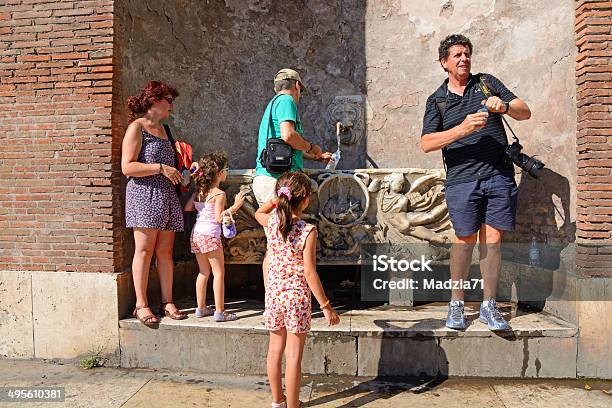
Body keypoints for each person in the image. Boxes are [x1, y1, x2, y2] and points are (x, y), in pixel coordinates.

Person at [420, 34, 532, 331]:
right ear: (444, 62)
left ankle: (489, 305)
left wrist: (504, 107)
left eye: (467, 53)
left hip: (498, 176)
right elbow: (427, 143)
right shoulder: (437, 101)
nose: (463, 59)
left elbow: (525, 111)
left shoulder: (487, 82)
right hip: (462, 180)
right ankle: (456, 304)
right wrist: (462, 129)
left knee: (492, 242)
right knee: (464, 241)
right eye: (457, 55)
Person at [255, 172, 340, 408]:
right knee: (293, 356)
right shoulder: (307, 231)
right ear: (305, 200)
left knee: (274, 350)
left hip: (273, 294)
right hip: (296, 299)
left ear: (280, 197)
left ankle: (278, 401)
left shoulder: (272, 222)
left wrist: (274, 202)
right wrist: (326, 306)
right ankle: (293, 405)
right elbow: (310, 273)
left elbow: (258, 213)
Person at [253, 68, 332, 288]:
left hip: (267, 178)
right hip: (276, 181)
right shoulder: (287, 101)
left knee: (276, 244)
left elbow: (284, 145)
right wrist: (311, 146)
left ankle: (275, 299)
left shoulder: (273, 104)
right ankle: (281, 299)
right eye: (300, 91)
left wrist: (315, 156)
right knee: (280, 245)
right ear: (296, 86)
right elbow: (288, 135)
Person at [121, 80, 187, 326]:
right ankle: (141, 305)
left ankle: (167, 301)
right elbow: (127, 166)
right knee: (145, 250)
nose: (172, 105)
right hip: (144, 195)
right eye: (168, 100)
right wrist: (160, 168)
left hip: (167, 196)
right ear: (154, 101)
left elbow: (174, 166)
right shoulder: (136, 128)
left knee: (165, 251)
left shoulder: (166, 130)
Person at [184, 153, 245, 322]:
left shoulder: (199, 192)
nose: (227, 172)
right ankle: (220, 312)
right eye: (226, 169)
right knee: (218, 273)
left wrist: (197, 195)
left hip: (196, 234)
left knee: (203, 272)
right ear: (218, 173)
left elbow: (188, 207)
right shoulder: (219, 194)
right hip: (210, 235)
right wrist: (235, 207)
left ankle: (200, 308)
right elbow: (219, 218)